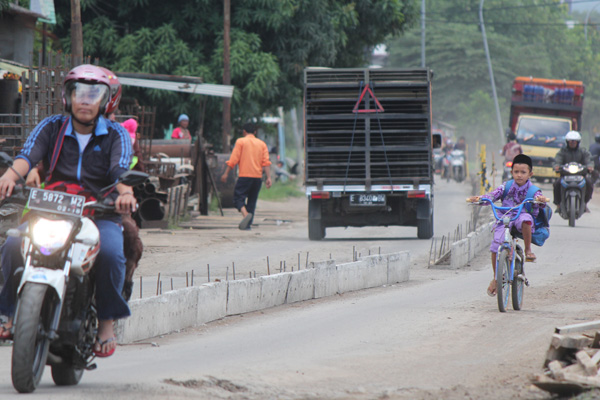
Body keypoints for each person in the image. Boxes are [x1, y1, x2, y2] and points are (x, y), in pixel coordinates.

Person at [0, 64, 136, 358]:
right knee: (12, 242)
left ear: (107, 100)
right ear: (68, 96)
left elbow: (120, 168)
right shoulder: (50, 127)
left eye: (93, 93)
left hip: (99, 211)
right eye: (78, 92)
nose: (85, 100)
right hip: (52, 208)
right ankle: (9, 314)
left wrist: (125, 193)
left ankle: (106, 324)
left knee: (112, 254)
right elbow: (28, 155)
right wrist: (10, 177)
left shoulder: (116, 135)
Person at [467, 154, 548, 297]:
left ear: (530, 174)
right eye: (516, 172)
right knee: (495, 246)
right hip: (505, 216)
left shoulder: (534, 190)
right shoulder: (507, 186)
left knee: (526, 220)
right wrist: (480, 199)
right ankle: (497, 278)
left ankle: (528, 250)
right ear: (512, 173)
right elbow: (493, 195)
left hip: (521, 215)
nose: (519, 175)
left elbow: (540, 201)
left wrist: (540, 200)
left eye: (523, 172)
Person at [220, 122, 272, 230]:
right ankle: (247, 226)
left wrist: (225, 173)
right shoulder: (262, 144)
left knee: (238, 198)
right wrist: (268, 178)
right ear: (255, 132)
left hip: (244, 176)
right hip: (257, 178)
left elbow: (233, 159)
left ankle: (245, 214)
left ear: (244, 132)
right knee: (252, 201)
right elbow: (266, 162)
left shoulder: (241, 142)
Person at [552, 131, 594, 213]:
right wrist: (556, 166)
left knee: (589, 184)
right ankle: (558, 205)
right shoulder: (562, 151)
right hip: (565, 175)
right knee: (557, 184)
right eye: (571, 141)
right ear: (567, 142)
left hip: (581, 175)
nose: (573, 143)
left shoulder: (583, 151)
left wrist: (590, 166)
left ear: (578, 142)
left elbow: (588, 160)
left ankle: (585, 203)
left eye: (574, 141)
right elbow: (557, 160)